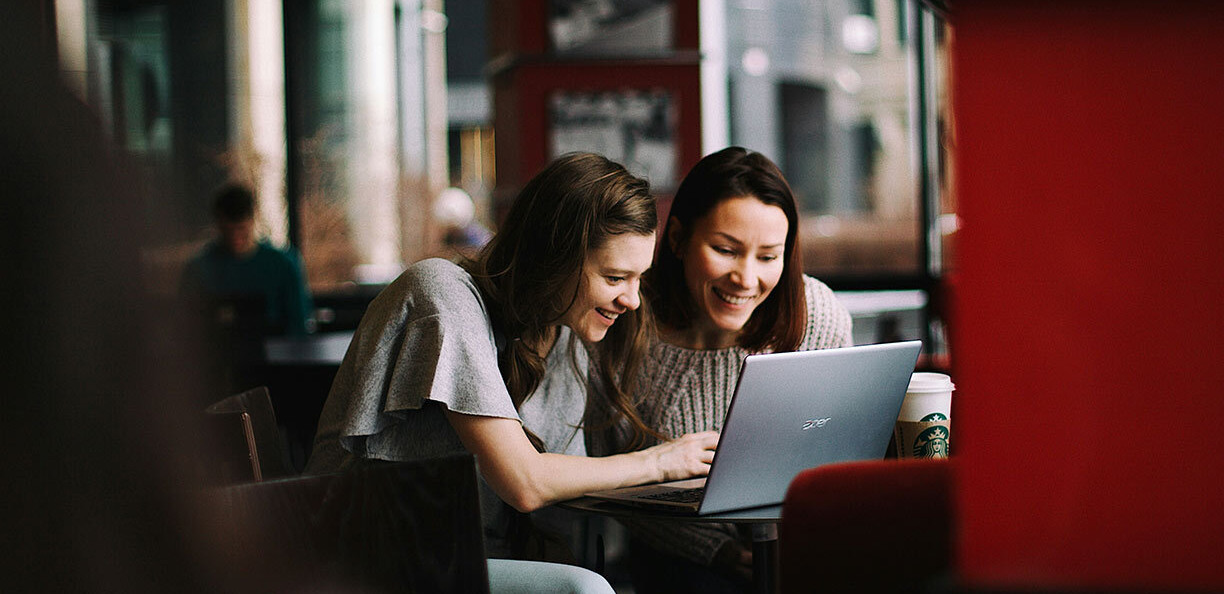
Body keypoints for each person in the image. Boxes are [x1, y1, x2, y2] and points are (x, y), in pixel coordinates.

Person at [306, 152, 719, 591]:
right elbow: (525, 483)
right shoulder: (440, 294)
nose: (633, 300)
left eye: (639, 279)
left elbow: (568, 478)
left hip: (454, 559)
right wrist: (658, 462)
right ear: (554, 258)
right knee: (586, 590)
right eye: (616, 277)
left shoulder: (561, 335)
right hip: (364, 563)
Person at [596, 146, 853, 593]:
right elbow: (607, 477)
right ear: (676, 238)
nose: (746, 278)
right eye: (725, 250)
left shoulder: (817, 314)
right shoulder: (623, 322)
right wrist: (721, 553)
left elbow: (843, 453)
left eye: (769, 256)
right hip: (680, 556)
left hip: (805, 545)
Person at [179, 183, 314, 336]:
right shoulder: (198, 269)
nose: (235, 237)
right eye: (228, 231)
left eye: (241, 229)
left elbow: (298, 326)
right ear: (217, 225)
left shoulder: (284, 264)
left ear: (252, 221)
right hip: (213, 356)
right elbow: (185, 327)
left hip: (275, 356)